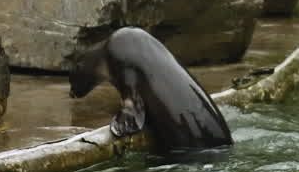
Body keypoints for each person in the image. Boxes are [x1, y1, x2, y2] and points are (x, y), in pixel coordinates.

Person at [66, 27, 233, 152]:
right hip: (216, 138)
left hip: (197, 151)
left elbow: (133, 103)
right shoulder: (130, 41)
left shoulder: (119, 49)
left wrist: (129, 110)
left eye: (76, 86)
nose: (75, 92)